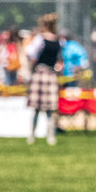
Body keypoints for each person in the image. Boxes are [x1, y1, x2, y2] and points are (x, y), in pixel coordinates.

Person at [24, 13, 62, 145]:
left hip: (40, 73)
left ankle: (32, 136)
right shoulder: (58, 40)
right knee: (49, 110)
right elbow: (60, 60)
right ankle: (50, 137)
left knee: (36, 108)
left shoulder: (40, 39)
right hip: (50, 74)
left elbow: (29, 53)